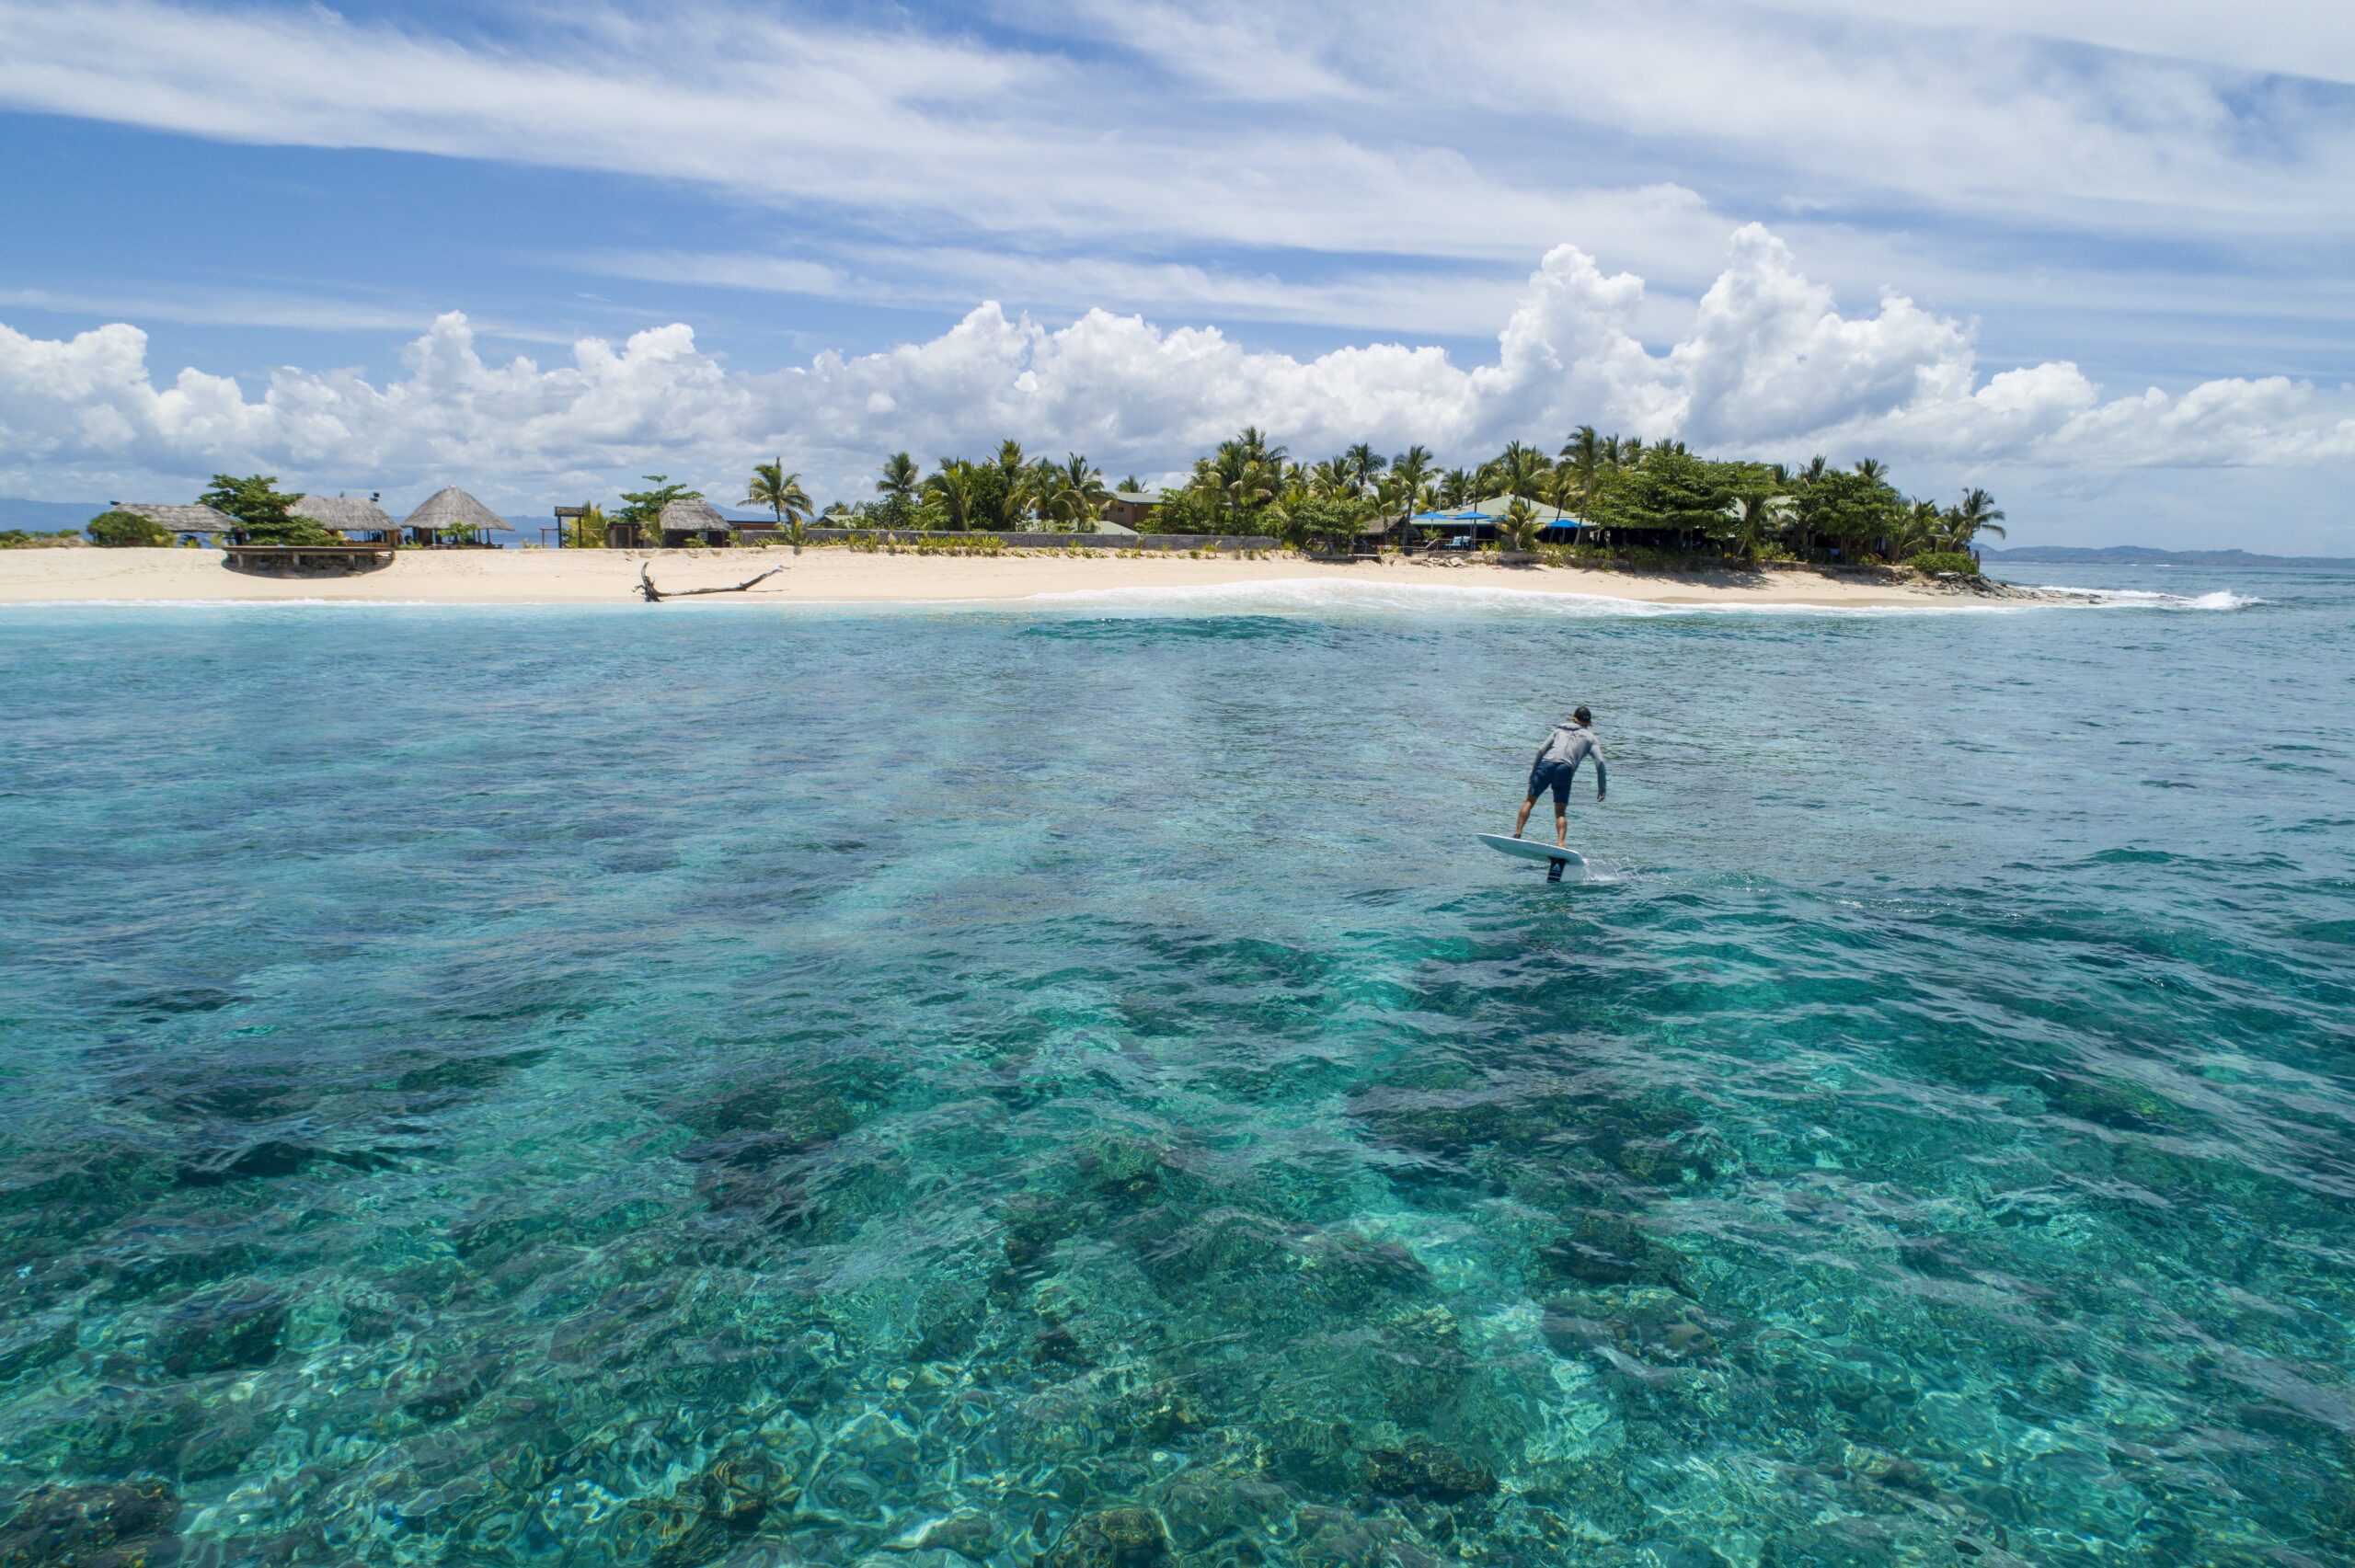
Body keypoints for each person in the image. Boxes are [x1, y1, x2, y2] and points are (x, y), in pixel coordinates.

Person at [1513, 705, 1606, 847]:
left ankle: (1517, 834)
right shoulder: (1590, 738)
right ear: (1589, 722)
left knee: (1530, 801)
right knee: (1560, 811)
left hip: (1546, 765)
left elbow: (1541, 750)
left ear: (1573, 717)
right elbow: (1599, 762)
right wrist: (1602, 788)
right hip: (1565, 769)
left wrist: (1533, 774)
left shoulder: (1558, 730)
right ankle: (1561, 843)